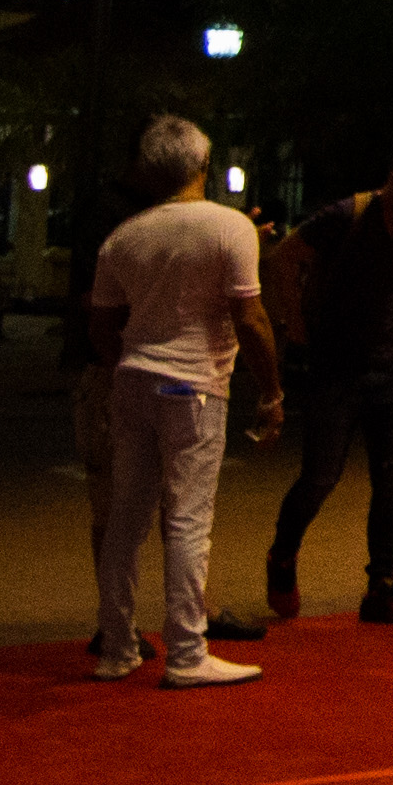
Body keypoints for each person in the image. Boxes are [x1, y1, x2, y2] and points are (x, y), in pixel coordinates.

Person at [84, 114, 276, 687]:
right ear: (203, 166)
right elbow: (251, 315)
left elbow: (100, 324)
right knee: (189, 521)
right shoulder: (230, 227)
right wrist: (272, 389)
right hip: (193, 386)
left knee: (126, 519)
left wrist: (123, 360)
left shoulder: (125, 236)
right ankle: (188, 651)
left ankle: (117, 647)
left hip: (133, 379)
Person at [265, 143, 393, 624]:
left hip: (391, 368)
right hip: (335, 366)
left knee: (392, 477)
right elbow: (285, 257)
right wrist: (296, 325)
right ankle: (283, 555)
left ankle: (382, 586)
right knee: (321, 475)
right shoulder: (347, 215)